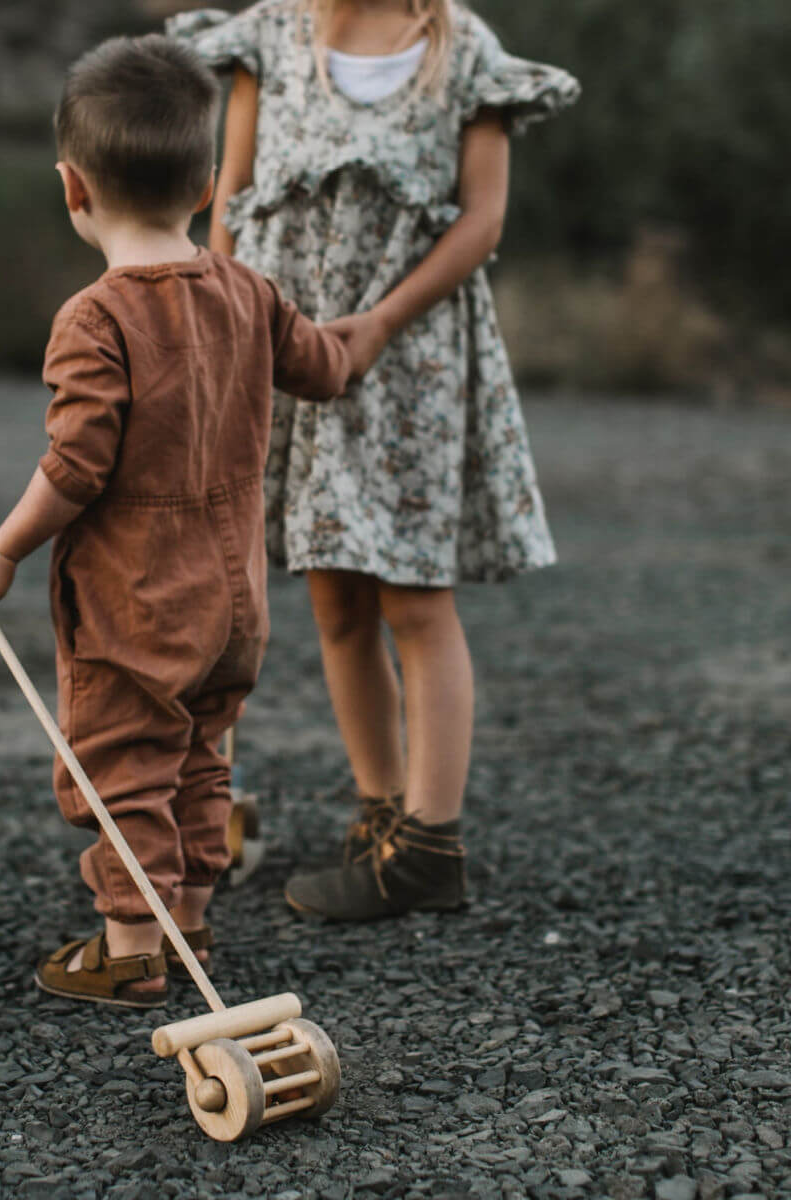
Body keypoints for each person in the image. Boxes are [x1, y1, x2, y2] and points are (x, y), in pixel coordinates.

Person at [0, 33, 353, 1006]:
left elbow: (77, 467)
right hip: (233, 602)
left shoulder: (95, 318)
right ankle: (192, 923)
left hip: (137, 597)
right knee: (201, 755)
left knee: (123, 763)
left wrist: (3, 550)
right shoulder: (247, 290)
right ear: (209, 184)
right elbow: (328, 370)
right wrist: (369, 324)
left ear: (71, 189)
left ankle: (134, 944)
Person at [168, 0, 579, 920]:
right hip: (290, 354)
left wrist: (381, 325)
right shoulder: (269, 41)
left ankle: (432, 845)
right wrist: (231, 329)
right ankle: (382, 817)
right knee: (334, 594)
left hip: (408, 364)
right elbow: (231, 206)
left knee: (415, 596)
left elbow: (482, 220)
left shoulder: (461, 51)